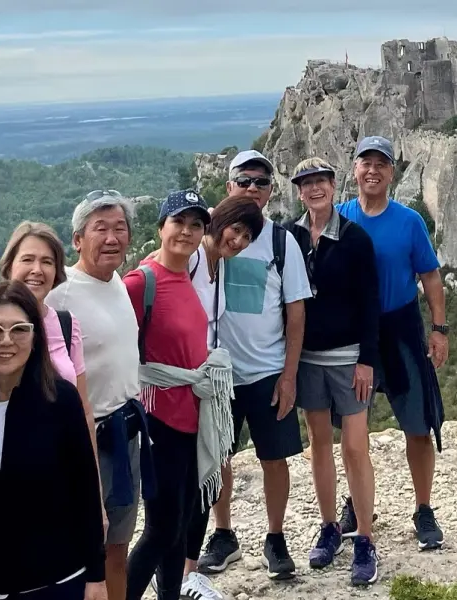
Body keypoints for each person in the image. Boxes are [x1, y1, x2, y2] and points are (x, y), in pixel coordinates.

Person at [196, 150, 311, 582]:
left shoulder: (282, 242)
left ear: (270, 191)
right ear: (228, 186)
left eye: (261, 182)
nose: (252, 188)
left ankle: (275, 536)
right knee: (219, 457)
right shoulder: (206, 233)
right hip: (218, 373)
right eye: (244, 180)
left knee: (274, 458)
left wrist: (289, 375)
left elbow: (296, 312)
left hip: (266, 371)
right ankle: (223, 534)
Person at [335, 136, 450, 551]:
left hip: (401, 328)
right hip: (354, 336)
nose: (373, 170)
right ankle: (357, 504)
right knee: (354, 430)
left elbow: (431, 278)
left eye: (381, 164)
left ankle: (423, 508)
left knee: (418, 425)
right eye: (366, 162)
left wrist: (439, 330)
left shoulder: (409, 221)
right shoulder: (338, 217)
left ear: (391, 173)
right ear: (355, 170)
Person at [44, 190, 157, 600]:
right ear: (77, 240)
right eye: (100, 229)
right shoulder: (60, 294)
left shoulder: (119, 286)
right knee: (81, 546)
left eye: (120, 228)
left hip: (126, 435)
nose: (112, 238)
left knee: (117, 545)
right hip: (86, 443)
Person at [123, 190, 234, 600]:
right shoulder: (141, 282)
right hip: (160, 420)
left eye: (195, 225)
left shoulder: (185, 275)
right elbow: (118, 347)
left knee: (183, 518)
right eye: (178, 223)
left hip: (190, 414)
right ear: (160, 228)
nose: (186, 232)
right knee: (161, 528)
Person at [0, 280, 106, 600]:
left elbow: (86, 490)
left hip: (59, 582)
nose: (6, 341)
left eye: (19, 329)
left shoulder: (60, 399)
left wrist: (97, 576)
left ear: (36, 336)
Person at [285, 158, 381, 585]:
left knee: (356, 449)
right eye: (307, 184)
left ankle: (364, 536)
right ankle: (329, 527)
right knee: (319, 445)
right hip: (307, 360)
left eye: (321, 181)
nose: (315, 189)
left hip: (348, 360)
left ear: (333, 185)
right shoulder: (291, 236)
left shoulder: (355, 238)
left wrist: (367, 361)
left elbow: (370, 304)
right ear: (299, 191)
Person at [177, 194, 264, 600]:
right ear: (220, 221)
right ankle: (174, 572)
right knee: (184, 483)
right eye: (237, 230)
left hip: (207, 387)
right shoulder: (193, 256)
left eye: (248, 236)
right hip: (179, 385)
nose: (240, 241)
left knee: (205, 480)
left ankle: (187, 572)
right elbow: (151, 277)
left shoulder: (218, 266)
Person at [0, 221, 94, 452]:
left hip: (62, 466)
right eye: (27, 259)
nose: (37, 270)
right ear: (10, 266)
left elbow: (84, 413)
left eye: (47, 262)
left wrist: (94, 482)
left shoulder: (66, 324)